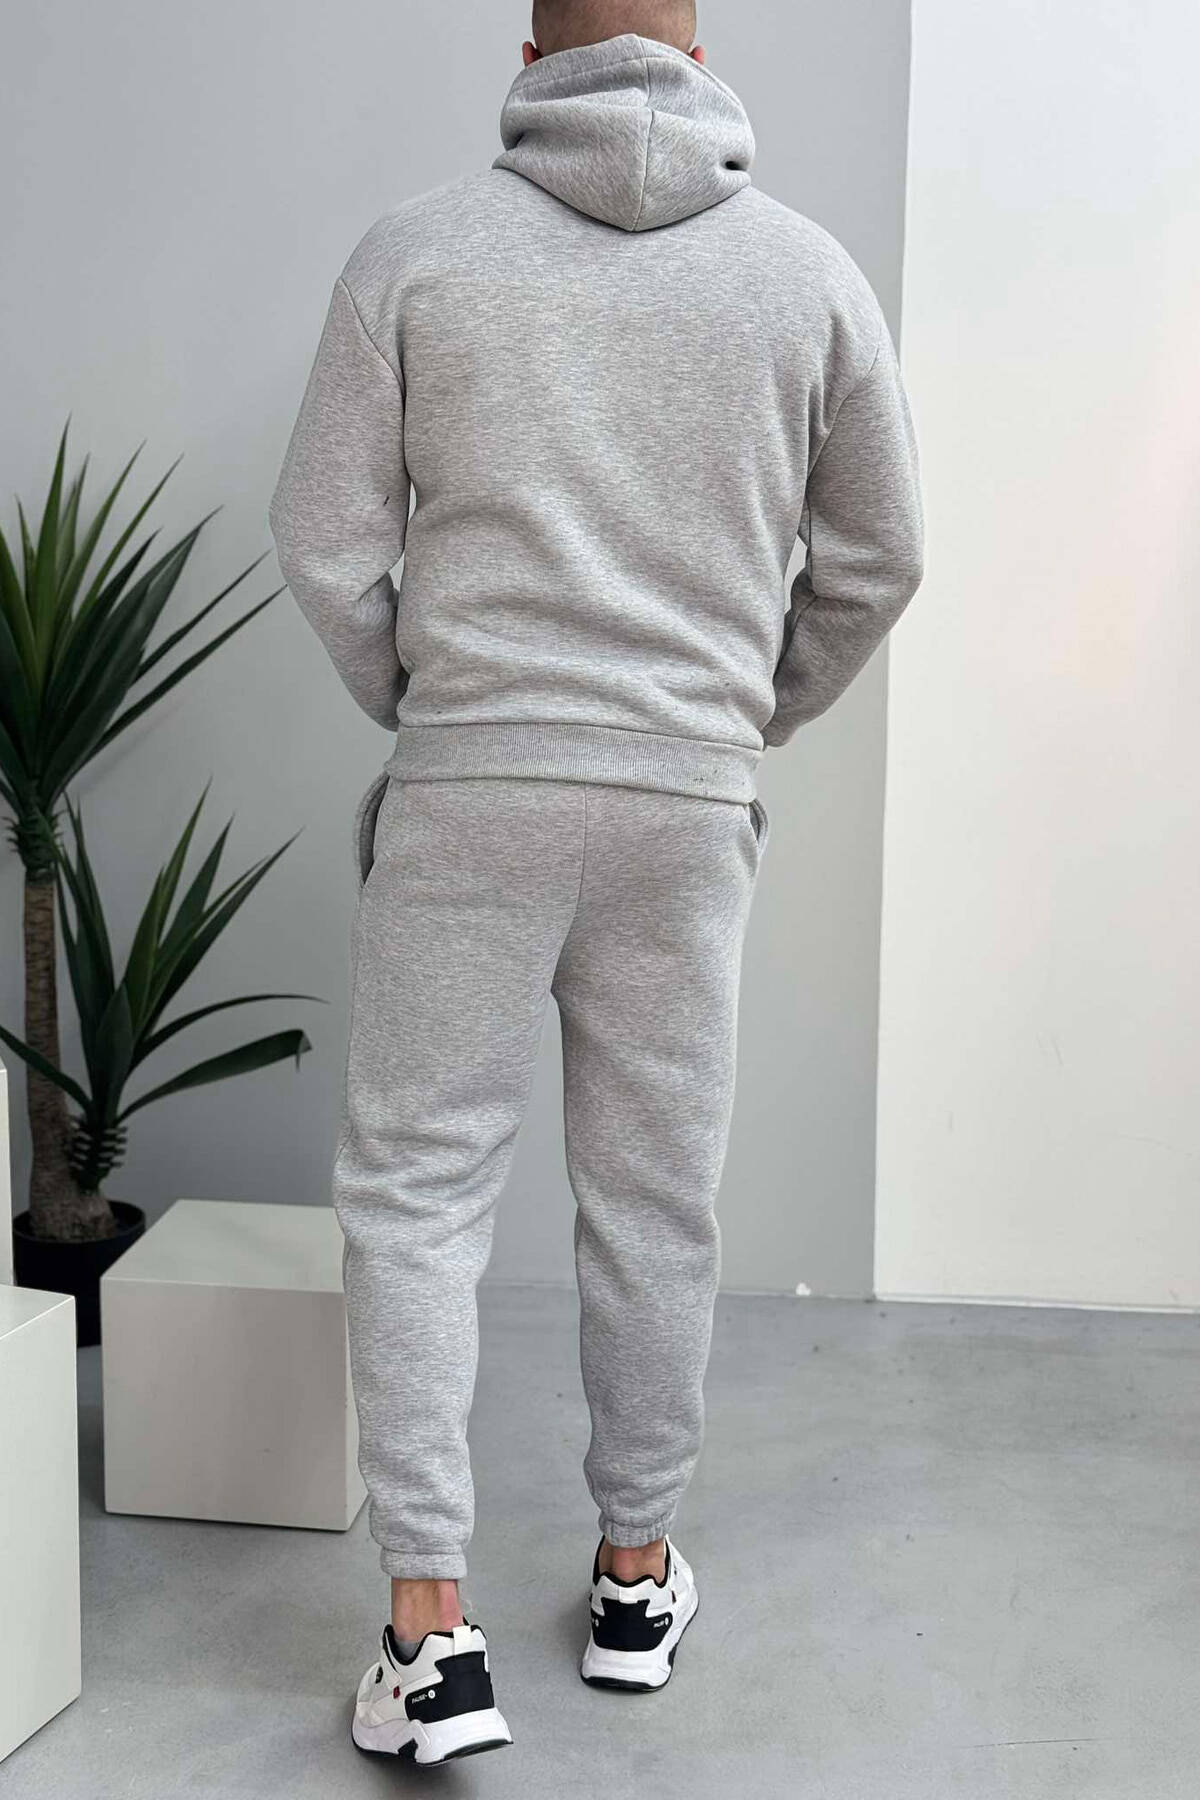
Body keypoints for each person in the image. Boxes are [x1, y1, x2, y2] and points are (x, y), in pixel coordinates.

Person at [268, 0, 923, 1766]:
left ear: (531, 55)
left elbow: (323, 537)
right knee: (654, 1196)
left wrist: (438, 706)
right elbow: (882, 556)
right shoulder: (810, 277)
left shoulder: (414, 255)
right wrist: (738, 718)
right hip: (684, 805)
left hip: (471, 788)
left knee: (419, 1190)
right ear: (698, 59)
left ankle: (430, 1639)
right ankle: (636, 1578)